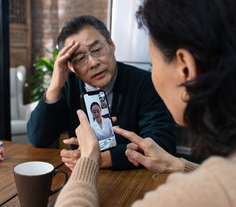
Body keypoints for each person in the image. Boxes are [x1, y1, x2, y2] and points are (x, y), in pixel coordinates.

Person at [50, 0, 236, 207]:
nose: (93, 62)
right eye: (79, 58)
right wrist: (180, 165)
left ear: (186, 68)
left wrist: (89, 158)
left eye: (153, 62)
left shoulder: (204, 200)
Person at [27, 15, 177, 170]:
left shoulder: (145, 83)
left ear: (111, 45)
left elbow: (162, 144)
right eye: (79, 58)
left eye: (97, 50)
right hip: (81, 178)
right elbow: (38, 138)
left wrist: (101, 158)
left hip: (135, 180)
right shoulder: (68, 86)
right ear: (71, 67)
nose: (93, 63)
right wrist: (54, 88)